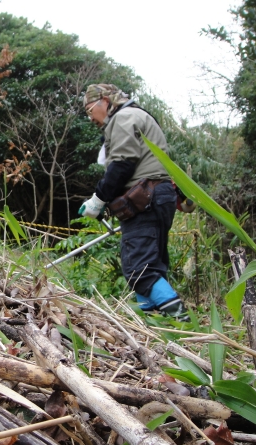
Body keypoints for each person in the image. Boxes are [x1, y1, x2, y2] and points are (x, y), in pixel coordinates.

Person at [79, 84, 190, 321]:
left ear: (105, 101)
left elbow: (122, 164)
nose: (90, 118)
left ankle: (184, 324)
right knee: (149, 268)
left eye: (90, 110)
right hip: (156, 197)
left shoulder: (124, 118)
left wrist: (98, 199)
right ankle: (157, 329)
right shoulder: (139, 116)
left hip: (145, 200)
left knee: (140, 270)